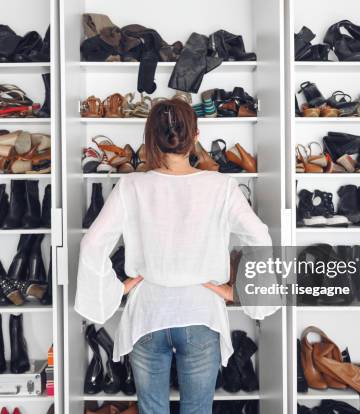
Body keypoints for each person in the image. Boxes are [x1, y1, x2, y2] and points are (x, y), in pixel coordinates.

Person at [74, 98, 273, 414]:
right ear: (195, 136)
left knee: (152, 409)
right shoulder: (221, 186)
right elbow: (260, 236)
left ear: (151, 138)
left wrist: (117, 289)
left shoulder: (132, 185)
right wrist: (239, 291)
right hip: (201, 311)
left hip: (148, 314)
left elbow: (92, 244)